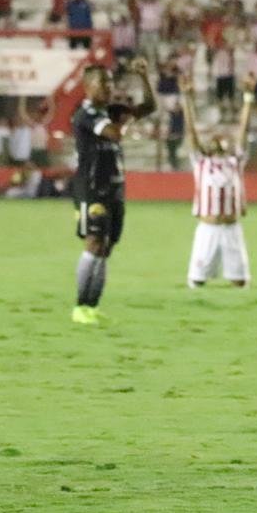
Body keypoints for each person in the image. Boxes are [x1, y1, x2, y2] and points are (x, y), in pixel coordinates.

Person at [70, 60, 156, 325]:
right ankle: (79, 306)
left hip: (115, 189)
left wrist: (143, 77)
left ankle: (92, 307)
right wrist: (125, 121)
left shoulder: (110, 111)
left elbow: (149, 107)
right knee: (93, 243)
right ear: (88, 87)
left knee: (106, 248)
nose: (109, 87)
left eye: (110, 82)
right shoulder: (86, 115)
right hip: (92, 189)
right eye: (102, 83)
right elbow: (113, 134)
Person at [179, 73, 255, 288]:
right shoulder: (201, 162)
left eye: (222, 137)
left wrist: (248, 96)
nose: (219, 139)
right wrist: (187, 99)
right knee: (197, 280)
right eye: (214, 137)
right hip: (208, 228)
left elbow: (243, 129)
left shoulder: (235, 161)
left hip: (231, 227)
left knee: (240, 281)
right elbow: (190, 132)